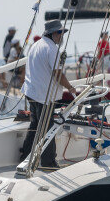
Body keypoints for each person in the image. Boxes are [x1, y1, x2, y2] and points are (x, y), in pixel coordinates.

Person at [20, 20, 76, 168]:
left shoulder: (35, 45)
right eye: (60, 33)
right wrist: (70, 88)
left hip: (31, 92)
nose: (62, 36)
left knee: (35, 125)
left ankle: (24, 157)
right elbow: (57, 74)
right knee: (47, 128)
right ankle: (48, 162)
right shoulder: (51, 49)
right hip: (44, 96)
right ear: (54, 33)